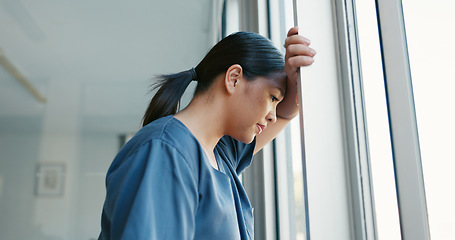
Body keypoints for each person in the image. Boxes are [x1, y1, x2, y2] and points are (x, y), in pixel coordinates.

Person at [98, 27, 315, 240]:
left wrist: (297, 79)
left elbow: (286, 114)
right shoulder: (164, 152)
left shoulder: (220, 154)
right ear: (234, 78)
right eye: (273, 98)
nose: (273, 116)